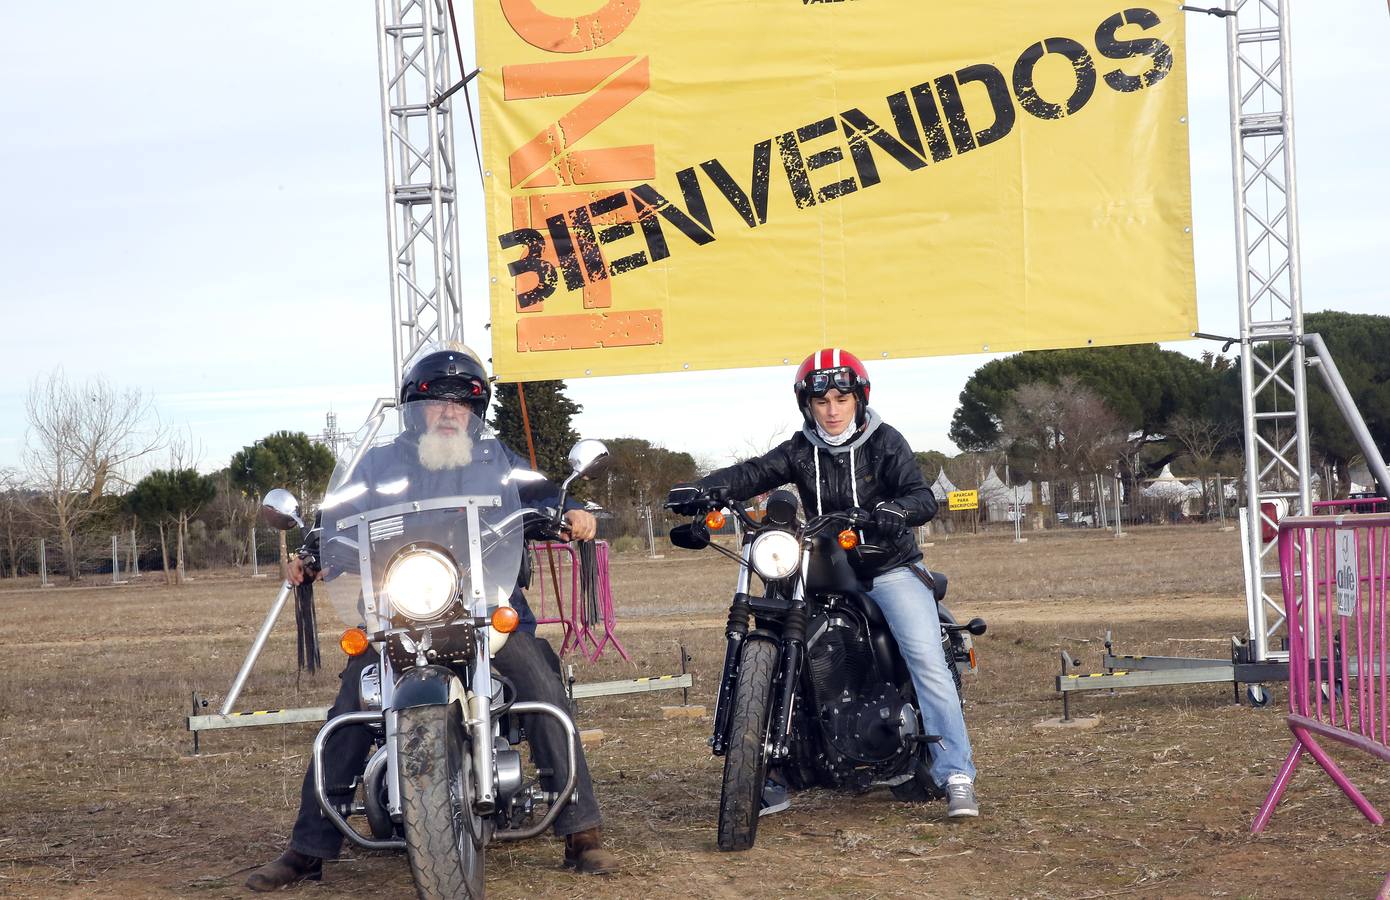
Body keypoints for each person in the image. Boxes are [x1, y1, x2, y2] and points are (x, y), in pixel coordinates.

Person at [246, 343, 619, 891]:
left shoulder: (500, 462)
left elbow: (546, 496)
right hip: (399, 614)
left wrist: (573, 513)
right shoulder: (378, 466)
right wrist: (313, 549)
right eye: (435, 401)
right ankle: (308, 847)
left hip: (488, 613)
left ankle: (581, 831)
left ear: (477, 411)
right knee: (353, 697)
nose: (448, 411)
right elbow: (337, 517)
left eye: (462, 402)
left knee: (539, 676)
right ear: (414, 409)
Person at [672, 348, 979, 819]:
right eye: (822, 402)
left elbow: (921, 495)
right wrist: (705, 488)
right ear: (807, 405)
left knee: (926, 658)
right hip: (819, 565)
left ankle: (955, 774)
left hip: (887, 567)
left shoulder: (885, 442)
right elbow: (755, 471)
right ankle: (770, 772)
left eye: (841, 398)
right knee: (771, 639)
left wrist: (896, 511)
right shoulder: (800, 449)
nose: (832, 409)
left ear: (858, 399)